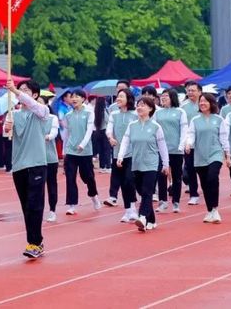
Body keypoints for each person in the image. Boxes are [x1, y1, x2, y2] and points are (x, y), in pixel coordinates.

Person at [4, 79, 52, 259]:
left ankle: (34, 242)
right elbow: (6, 134)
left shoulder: (41, 111)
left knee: (34, 204)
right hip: (19, 165)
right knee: (26, 206)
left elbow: (33, 105)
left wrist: (15, 91)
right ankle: (35, 242)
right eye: (20, 90)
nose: (21, 93)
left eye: (25, 90)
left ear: (35, 95)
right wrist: (7, 127)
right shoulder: (13, 114)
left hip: (37, 163)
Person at [117, 96, 169, 231]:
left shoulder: (156, 127)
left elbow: (162, 146)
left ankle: (143, 217)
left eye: (143, 105)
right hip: (136, 164)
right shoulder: (132, 126)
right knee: (141, 191)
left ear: (150, 108)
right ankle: (151, 220)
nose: (139, 107)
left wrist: (166, 164)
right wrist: (120, 156)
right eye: (138, 105)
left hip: (151, 164)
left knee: (147, 191)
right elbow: (125, 142)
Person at [185, 93, 228, 223]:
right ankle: (210, 210)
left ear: (211, 103)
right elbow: (191, 135)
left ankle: (215, 209)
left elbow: (224, 138)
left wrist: (227, 154)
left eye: (205, 101)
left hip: (215, 153)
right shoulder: (195, 120)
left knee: (212, 177)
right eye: (201, 101)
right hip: (200, 155)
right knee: (204, 183)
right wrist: (188, 144)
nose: (202, 103)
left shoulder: (219, 119)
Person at [60, 89, 101, 215]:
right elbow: (67, 133)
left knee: (87, 177)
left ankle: (93, 195)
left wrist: (83, 144)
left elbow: (89, 130)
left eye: (77, 96)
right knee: (70, 177)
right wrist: (64, 149)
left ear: (83, 99)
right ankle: (72, 205)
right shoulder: (68, 115)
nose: (74, 99)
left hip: (85, 151)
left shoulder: (89, 113)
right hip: (71, 151)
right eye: (72, 97)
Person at [105, 88, 138, 222]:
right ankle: (128, 210)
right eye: (118, 96)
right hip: (118, 154)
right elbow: (109, 129)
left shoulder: (135, 114)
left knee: (129, 180)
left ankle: (133, 208)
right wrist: (110, 137)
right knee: (123, 182)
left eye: (121, 96)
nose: (118, 99)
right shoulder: (114, 114)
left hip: (133, 153)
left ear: (128, 99)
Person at [154, 89, 188, 213]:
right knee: (161, 175)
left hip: (176, 150)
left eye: (166, 96)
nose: (163, 98)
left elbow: (184, 129)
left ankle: (176, 202)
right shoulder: (157, 113)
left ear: (172, 97)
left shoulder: (180, 112)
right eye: (162, 96)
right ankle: (163, 201)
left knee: (177, 176)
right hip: (161, 150)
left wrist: (181, 145)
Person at [181, 81, 202, 205]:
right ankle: (194, 194)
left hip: (204, 143)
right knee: (190, 169)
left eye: (193, 90)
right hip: (189, 143)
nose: (190, 93)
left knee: (204, 169)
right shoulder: (183, 107)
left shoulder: (205, 104)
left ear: (199, 92)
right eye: (189, 90)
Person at [40, 96, 60, 223]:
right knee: (37, 187)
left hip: (50, 157)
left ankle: (52, 210)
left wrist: (46, 137)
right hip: (35, 159)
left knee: (51, 184)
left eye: (40, 103)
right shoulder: (32, 117)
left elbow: (54, 133)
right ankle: (38, 211)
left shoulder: (53, 118)